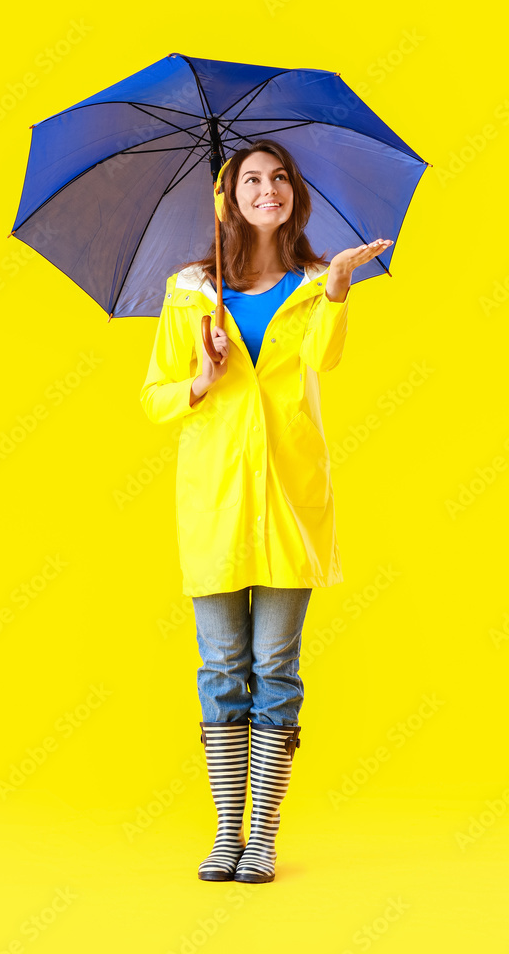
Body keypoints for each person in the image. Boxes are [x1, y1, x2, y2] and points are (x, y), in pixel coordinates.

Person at [140, 138, 393, 884]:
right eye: (249, 179)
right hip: (214, 501)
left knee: (274, 672)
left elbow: (323, 361)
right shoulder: (191, 289)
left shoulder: (315, 282)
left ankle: (262, 838)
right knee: (222, 669)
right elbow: (153, 397)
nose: (266, 190)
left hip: (289, 498)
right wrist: (200, 375)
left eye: (278, 178)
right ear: (227, 196)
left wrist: (340, 289)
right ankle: (225, 835)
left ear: (294, 194)